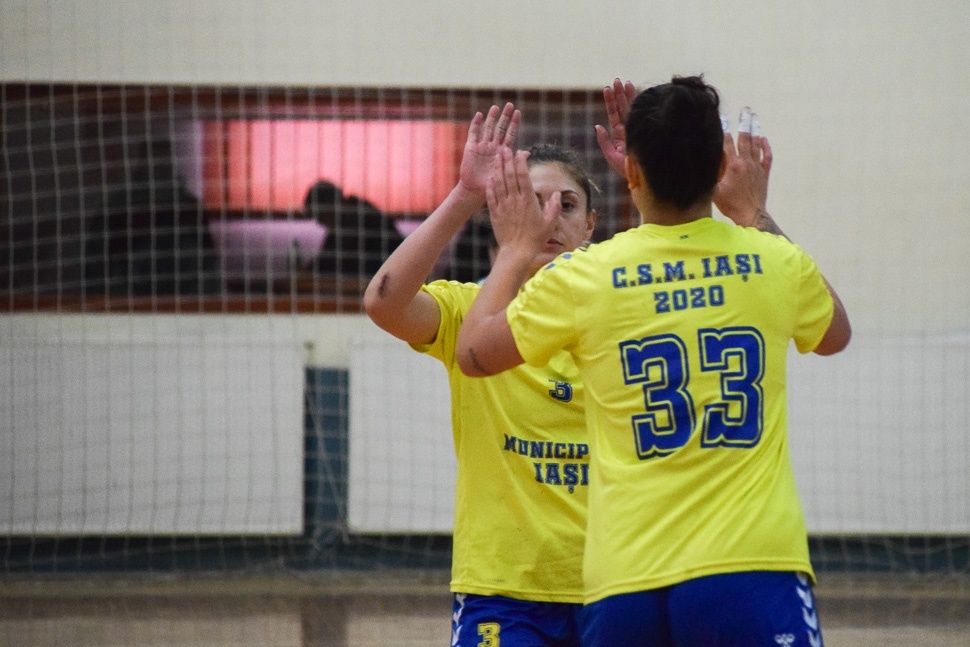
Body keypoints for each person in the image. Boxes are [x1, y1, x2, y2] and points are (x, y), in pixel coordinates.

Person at [455, 75, 851, 646]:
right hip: (750, 567)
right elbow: (836, 335)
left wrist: (516, 248)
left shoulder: (586, 276)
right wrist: (753, 212)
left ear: (632, 172)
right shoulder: (775, 262)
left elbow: (473, 352)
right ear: (721, 166)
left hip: (626, 581)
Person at [364, 103, 596, 647]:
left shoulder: (618, 313)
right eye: (531, 202)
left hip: (611, 582)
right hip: (503, 589)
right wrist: (465, 194)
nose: (549, 217)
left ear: (590, 224)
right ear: (502, 214)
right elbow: (384, 303)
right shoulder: (469, 312)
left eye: (567, 204)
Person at [304, 180, 405, 277]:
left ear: (330, 206)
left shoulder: (362, 220)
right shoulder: (348, 218)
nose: (320, 222)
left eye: (319, 216)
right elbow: (326, 258)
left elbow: (335, 262)